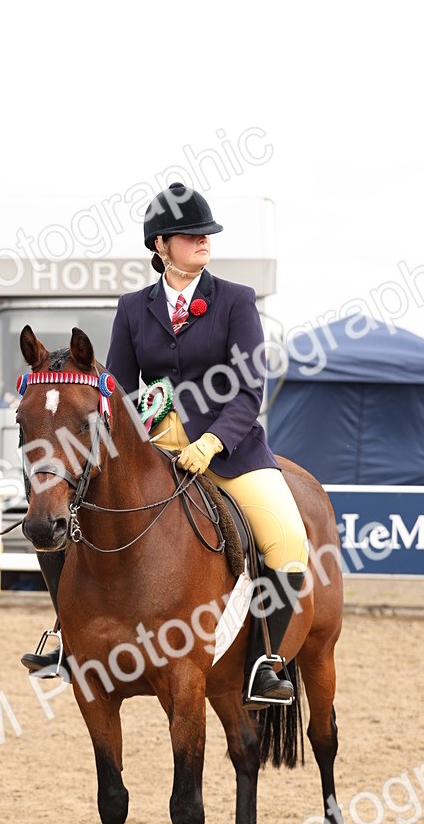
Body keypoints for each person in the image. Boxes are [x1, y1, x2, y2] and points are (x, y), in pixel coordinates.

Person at [22, 182, 309, 708]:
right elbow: (121, 391)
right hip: (151, 448)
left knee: (287, 537)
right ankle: (68, 637)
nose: (204, 241)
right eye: (191, 235)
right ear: (161, 246)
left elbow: (249, 389)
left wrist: (212, 442)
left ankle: (268, 661)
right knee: (61, 516)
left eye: (207, 235)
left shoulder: (236, 301)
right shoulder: (133, 308)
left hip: (231, 449)